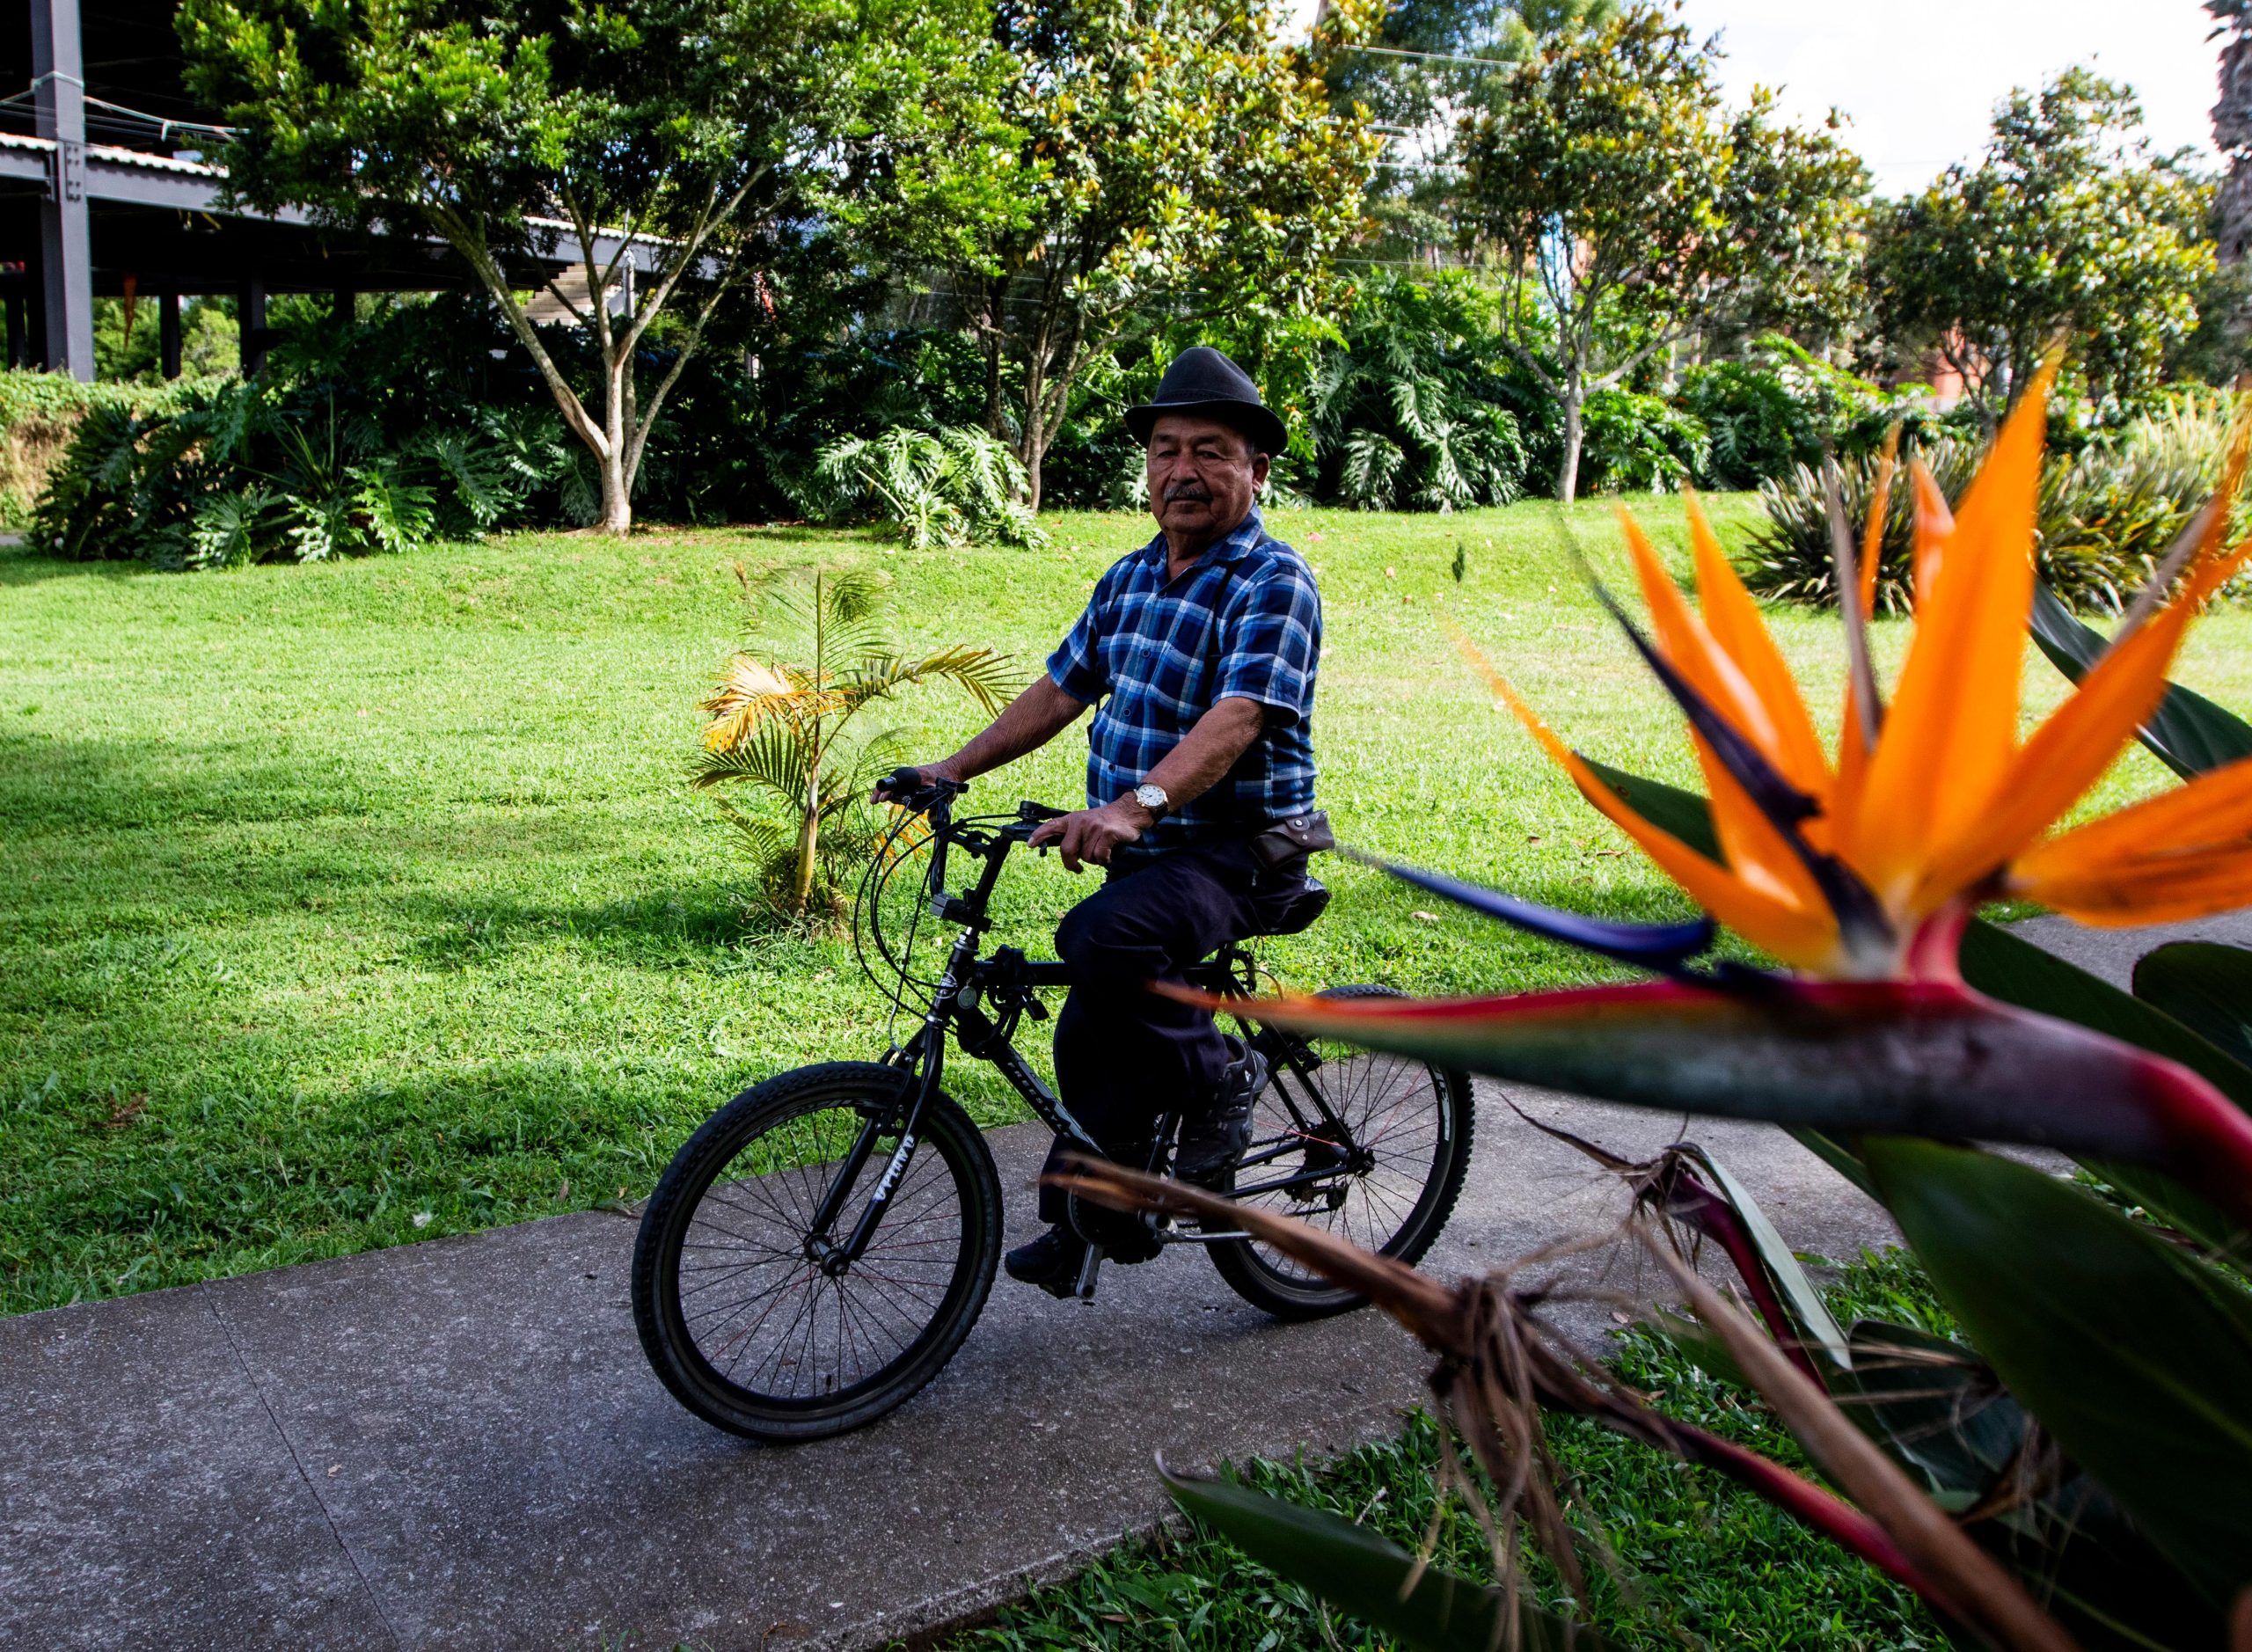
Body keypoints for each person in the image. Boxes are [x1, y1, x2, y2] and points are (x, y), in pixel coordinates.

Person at [877, 346, 1326, 1297]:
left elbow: (1238, 717)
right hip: (1155, 851)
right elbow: (1062, 687)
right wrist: (949, 767)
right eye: (1166, 450)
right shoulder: (1128, 578)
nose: (1183, 471)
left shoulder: (1271, 581)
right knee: (1085, 1030)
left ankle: (1224, 1076)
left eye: (1211, 450)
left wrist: (1133, 805)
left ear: (1257, 469)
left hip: (1242, 847)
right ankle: (1099, 1215)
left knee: (1098, 935)